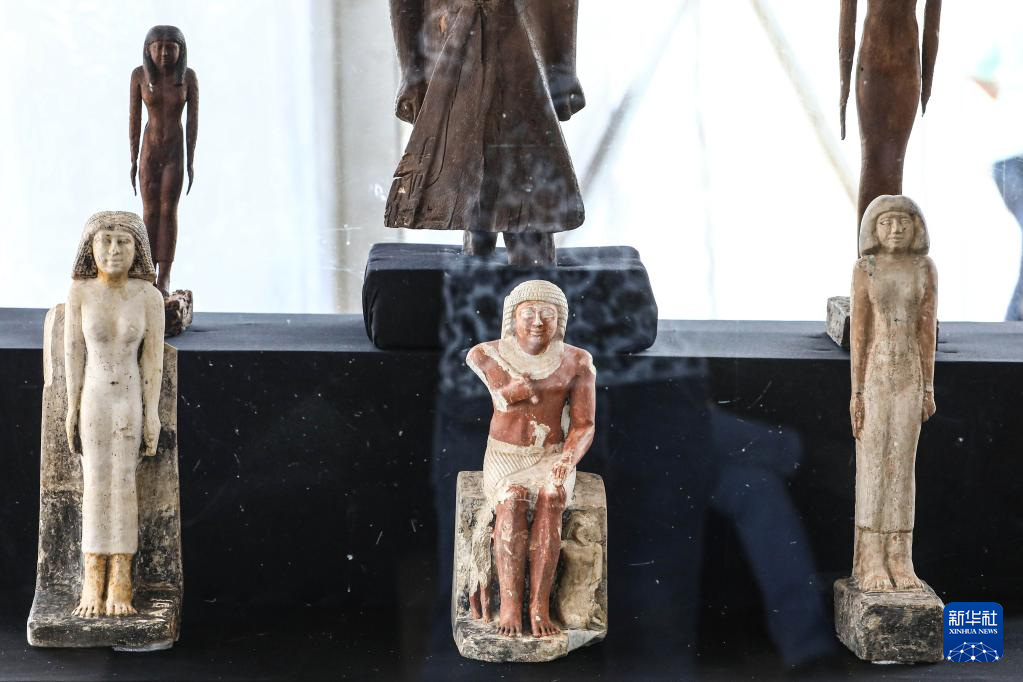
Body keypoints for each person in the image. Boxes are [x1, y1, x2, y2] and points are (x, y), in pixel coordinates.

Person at [385, 0, 585, 266]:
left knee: (530, 209)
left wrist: (564, 70)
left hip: (517, 52)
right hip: (457, 52)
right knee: (472, 198)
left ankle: (529, 277)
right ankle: (480, 268)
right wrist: (411, 74)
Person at [465, 280, 596, 636]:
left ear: (560, 320)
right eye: (529, 313)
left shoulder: (577, 361)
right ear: (512, 317)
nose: (538, 321)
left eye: (548, 314)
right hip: (506, 456)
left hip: (551, 454)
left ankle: (538, 606)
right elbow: (500, 394)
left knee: (551, 497)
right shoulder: (488, 354)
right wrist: (512, 389)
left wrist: (568, 458)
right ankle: (510, 605)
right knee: (512, 499)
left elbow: (584, 425)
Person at [65, 211, 165, 617]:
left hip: (129, 398)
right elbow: (73, 355)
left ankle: (121, 579)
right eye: (104, 240)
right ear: (89, 248)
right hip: (94, 397)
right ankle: (92, 577)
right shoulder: (80, 293)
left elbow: (153, 360)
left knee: (123, 481)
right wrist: (71, 407)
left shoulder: (148, 297)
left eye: (123, 241)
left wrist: (153, 412)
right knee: (95, 481)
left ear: (138, 249)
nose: (113, 250)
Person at [848, 195, 937, 591]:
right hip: (877, 374)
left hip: (910, 376)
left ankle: (900, 557)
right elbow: (860, 333)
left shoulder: (924, 268)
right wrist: (857, 392)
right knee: (873, 462)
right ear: (874, 229)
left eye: (903, 222)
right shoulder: (866, 268)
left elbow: (926, 330)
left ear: (916, 227)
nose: (896, 230)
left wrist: (928, 386)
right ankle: (870, 558)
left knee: (901, 465)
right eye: (887, 223)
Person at [839, 0, 941, 237]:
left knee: (895, 161)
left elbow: (933, 22)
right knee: (872, 158)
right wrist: (843, 91)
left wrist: (927, 80)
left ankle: (889, 248)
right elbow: (847, 20)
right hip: (873, 61)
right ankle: (868, 248)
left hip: (906, 63)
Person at [129, 25, 198, 295]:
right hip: (150, 150)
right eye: (157, 47)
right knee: (149, 211)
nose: (164, 53)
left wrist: (190, 160)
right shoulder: (139, 76)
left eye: (171, 47)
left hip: (173, 152)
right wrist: (133, 158)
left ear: (181, 50)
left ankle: (165, 275)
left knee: (169, 210)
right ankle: (147, 270)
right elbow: (134, 120)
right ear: (148, 50)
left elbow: (192, 123)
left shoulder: (187, 78)